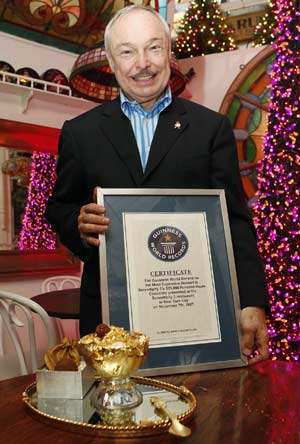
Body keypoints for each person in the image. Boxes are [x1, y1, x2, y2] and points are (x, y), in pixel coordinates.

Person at [46, 5, 269, 364]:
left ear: (168, 53)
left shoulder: (211, 129)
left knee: (200, 416)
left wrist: (252, 300)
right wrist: (77, 223)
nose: (142, 63)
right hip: (109, 321)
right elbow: (59, 206)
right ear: (113, 63)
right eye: (127, 51)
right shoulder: (80, 133)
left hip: (195, 319)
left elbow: (234, 220)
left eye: (153, 48)